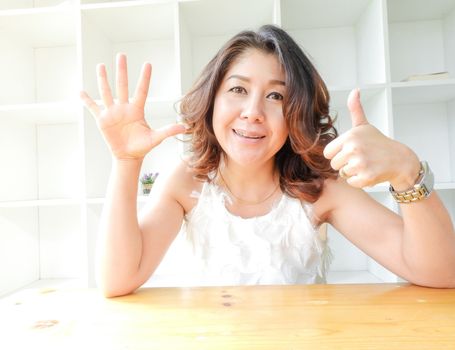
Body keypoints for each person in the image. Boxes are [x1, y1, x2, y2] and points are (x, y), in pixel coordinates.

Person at [80, 25, 455, 297]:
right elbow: (117, 280)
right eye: (238, 89)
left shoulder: (321, 188)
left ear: (297, 113)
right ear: (212, 100)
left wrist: (408, 171)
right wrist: (126, 162)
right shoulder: (186, 182)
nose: (253, 112)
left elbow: (440, 271)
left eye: (276, 96)